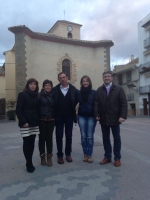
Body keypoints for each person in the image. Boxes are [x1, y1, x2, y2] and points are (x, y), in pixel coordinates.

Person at [94, 71, 127, 167]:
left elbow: (123, 103)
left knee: (116, 138)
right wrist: (97, 114)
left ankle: (117, 158)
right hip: (103, 118)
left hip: (115, 118)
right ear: (103, 78)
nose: (107, 78)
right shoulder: (99, 90)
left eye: (108, 76)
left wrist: (122, 116)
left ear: (112, 78)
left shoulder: (119, 89)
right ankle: (107, 157)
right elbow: (96, 103)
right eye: (105, 77)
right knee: (105, 139)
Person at [52, 72, 77, 164]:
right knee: (59, 136)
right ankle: (60, 155)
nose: (62, 79)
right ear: (59, 79)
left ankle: (68, 154)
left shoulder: (74, 90)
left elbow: (78, 100)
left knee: (69, 136)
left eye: (64, 77)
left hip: (69, 117)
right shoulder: (55, 90)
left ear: (67, 78)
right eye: (60, 78)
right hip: (58, 117)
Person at [16, 78, 39, 173]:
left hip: (34, 122)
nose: (33, 86)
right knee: (26, 142)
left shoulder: (37, 96)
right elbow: (18, 109)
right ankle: (28, 163)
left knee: (32, 142)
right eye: (31, 84)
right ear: (28, 85)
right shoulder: (22, 94)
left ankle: (29, 161)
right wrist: (23, 121)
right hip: (25, 123)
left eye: (35, 84)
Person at [77, 75, 96, 163]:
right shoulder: (78, 93)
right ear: (81, 83)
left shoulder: (94, 92)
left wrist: (97, 114)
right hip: (81, 116)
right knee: (84, 136)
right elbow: (72, 103)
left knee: (90, 136)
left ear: (89, 82)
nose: (85, 82)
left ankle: (89, 154)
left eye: (87, 81)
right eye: (83, 81)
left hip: (91, 117)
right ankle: (85, 154)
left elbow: (97, 104)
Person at [38, 80, 55, 167]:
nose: (48, 87)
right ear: (43, 86)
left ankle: (49, 157)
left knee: (49, 139)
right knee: (42, 139)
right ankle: (42, 156)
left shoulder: (53, 95)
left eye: (49, 85)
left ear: (51, 87)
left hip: (51, 119)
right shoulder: (39, 95)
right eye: (46, 85)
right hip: (42, 119)